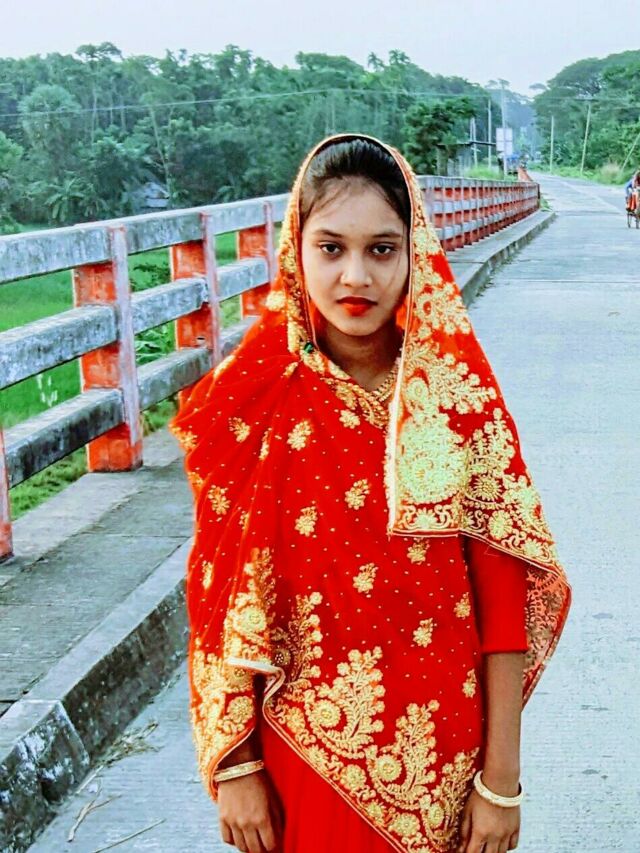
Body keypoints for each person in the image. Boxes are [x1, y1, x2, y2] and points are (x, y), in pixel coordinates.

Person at [171, 134, 571, 853]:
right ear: (295, 250)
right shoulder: (250, 400)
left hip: (442, 756)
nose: (355, 275)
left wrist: (501, 781)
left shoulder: (455, 403)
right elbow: (220, 593)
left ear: (417, 254)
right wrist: (235, 762)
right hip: (298, 754)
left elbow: (503, 606)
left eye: (382, 249)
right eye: (331, 248)